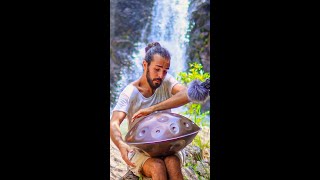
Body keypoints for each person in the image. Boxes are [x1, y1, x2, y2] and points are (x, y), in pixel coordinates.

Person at [110, 42, 192, 180]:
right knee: (157, 167)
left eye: (165, 70)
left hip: (168, 146)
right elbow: (114, 123)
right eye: (157, 69)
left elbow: (188, 94)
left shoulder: (166, 82)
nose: (161, 75)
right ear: (145, 65)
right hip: (141, 150)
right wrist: (120, 144)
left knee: (172, 162)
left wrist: (152, 109)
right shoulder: (130, 93)